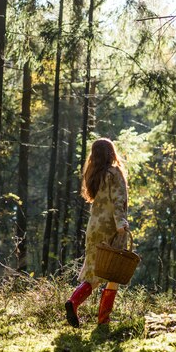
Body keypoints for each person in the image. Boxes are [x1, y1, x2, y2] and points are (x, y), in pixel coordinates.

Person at [65, 138, 129, 327]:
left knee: (94, 273)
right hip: (111, 228)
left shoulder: (93, 175)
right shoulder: (114, 173)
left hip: (94, 229)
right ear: (111, 153)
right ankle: (103, 320)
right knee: (114, 274)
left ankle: (73, 302)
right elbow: (118, 200)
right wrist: (121, 223)